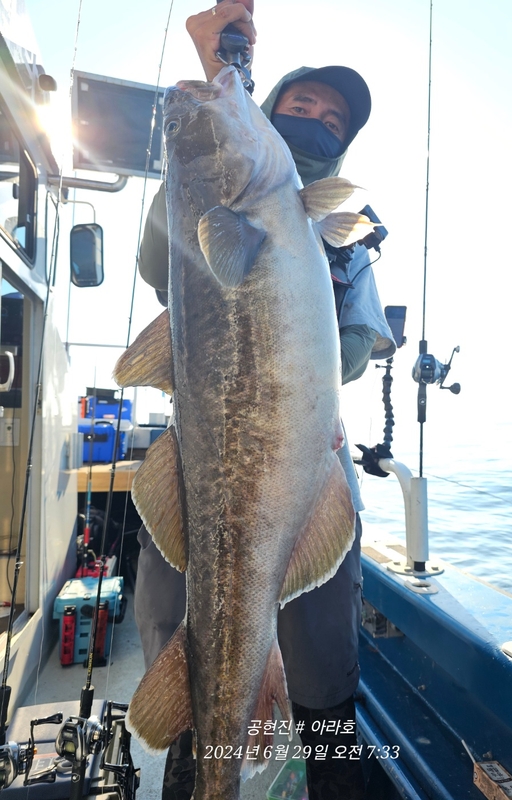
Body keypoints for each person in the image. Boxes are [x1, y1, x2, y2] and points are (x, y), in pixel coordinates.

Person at [135, 3, 396, 798]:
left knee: (321, 673)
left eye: (332, 118)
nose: (317, 121)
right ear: (268, 105)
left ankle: (329, 771)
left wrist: (310, 309)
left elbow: (356, 348)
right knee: (198, 623)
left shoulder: (345, 231)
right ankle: (200, 769)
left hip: (306, 457)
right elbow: (161, 257)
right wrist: (219, 66)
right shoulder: (213, 197)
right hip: (208, 458)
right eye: (302, 105)